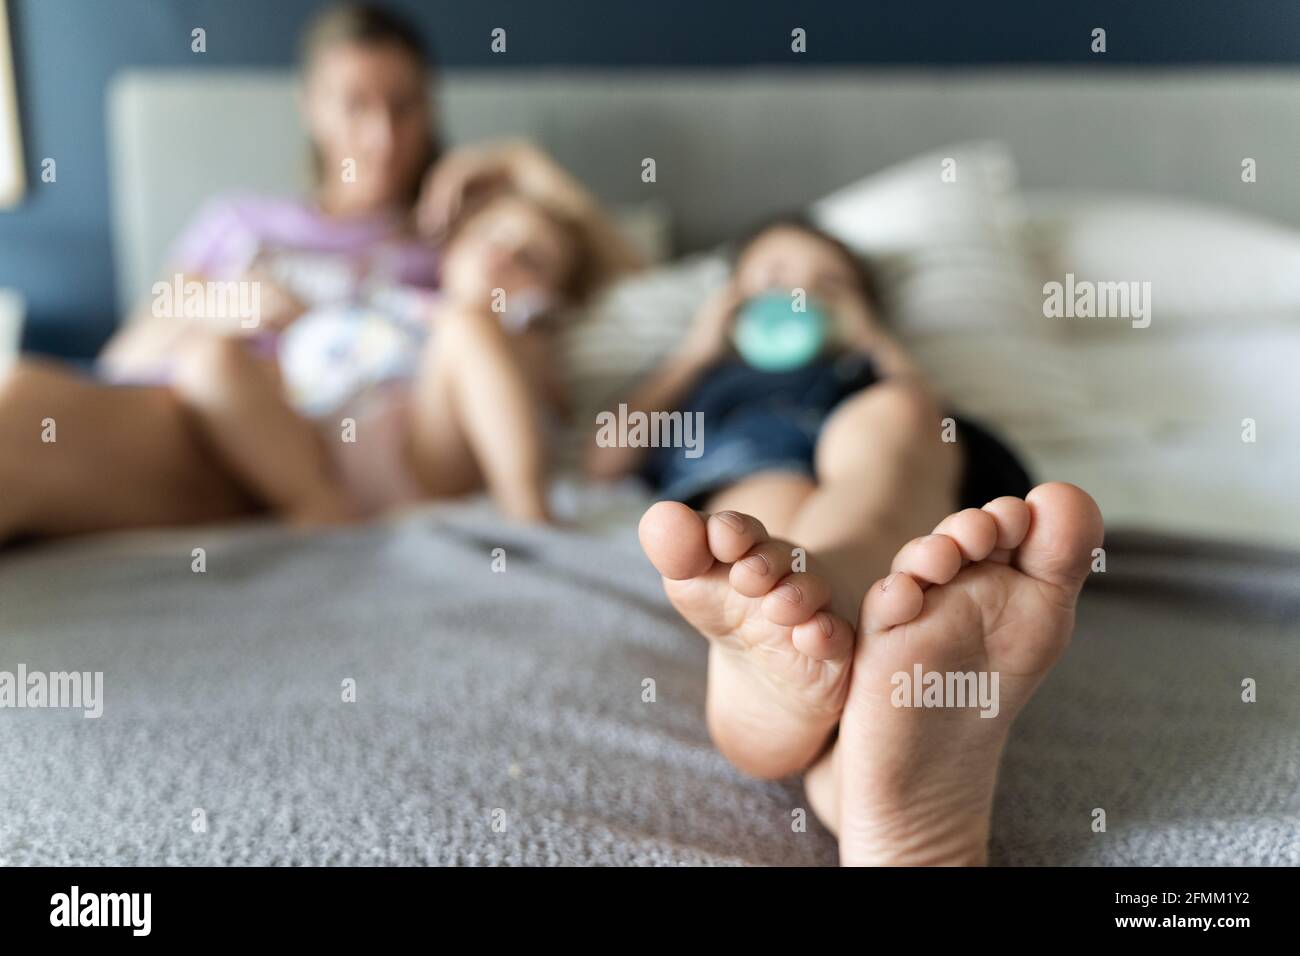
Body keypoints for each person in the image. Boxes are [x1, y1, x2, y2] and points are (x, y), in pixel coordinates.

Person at [0, 2, 636, 544]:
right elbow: (122, 358)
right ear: (312, 107)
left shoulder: (453, 240)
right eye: (356, 106)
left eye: (404, 107)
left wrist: (525, 163)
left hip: (364, 451)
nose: (383, 135)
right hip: (200, 421)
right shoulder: (239, 222)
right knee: (23, 403)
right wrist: (213, 306)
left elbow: (625, 274)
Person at [590, 216, 1104, 863]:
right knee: (754, 525)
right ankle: (848, 777)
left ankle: (808, 627)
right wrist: (695, 351)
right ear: (729, 302)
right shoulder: (709, 374)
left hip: (877, 437)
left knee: (901, 424)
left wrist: (875, 342)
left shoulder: (872, 370)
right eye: (773, 278)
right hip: (748, 453)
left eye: (829, 284)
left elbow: (928, 408)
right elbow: (603, 460)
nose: (801, 295)